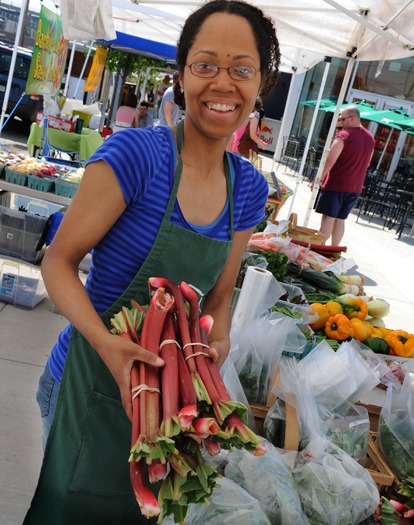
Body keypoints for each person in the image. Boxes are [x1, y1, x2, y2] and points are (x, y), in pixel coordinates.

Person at [24, 1, 280, 523]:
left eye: (241, 69)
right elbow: (58, 263)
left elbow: (220, 296)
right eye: (205, 64)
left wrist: (217, 341)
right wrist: (108, 345)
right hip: (90, 378)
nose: (222, 83)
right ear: (182, 74)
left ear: (262, 83)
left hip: (170, 399)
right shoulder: (135, 156)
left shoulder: (249, 189)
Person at [314, 105, 375, 246]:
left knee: (329, 216)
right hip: (355, 186)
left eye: (342, 119)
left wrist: (318, 178)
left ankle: (319, 248)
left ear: (352, 119)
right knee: (340, 218)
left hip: (337, 182)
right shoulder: (370, 138)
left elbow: (329, 160)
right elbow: (367, 164)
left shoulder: (343, 136)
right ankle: (334, 250)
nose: (341, 122)